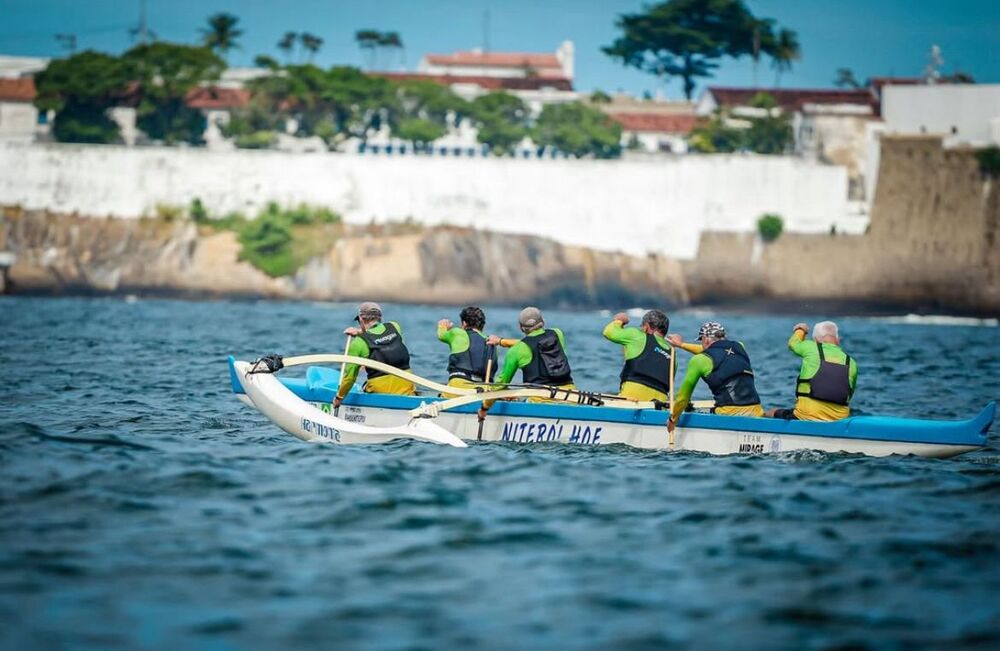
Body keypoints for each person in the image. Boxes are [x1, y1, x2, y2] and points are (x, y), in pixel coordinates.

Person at [477, 307, 576, 418]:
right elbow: (535, 342)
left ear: (521, 328)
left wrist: (484, 408)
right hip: (571, 399)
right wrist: (500, 341)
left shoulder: (516, 351)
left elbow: (500, 385)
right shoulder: (558, 334)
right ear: (543, 321)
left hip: (539, 404)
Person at [666, 321, 764, 433]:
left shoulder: (699, 360)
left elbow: (683, 399)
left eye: (701, 340)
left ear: (706, 340)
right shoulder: (740, 347)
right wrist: (681, 345)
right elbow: (715, 350)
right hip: (757, 412)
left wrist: (672, 419)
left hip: (728, 416)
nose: (701, 345)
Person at [766, 321, 858, 421]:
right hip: (838, 420)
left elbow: (792, 344)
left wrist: (801, 330)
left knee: (771, 412)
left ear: (816, 340)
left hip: (804, 417)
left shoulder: (811, 347)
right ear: (838, 340)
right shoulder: (851, 363)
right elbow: (849, 394)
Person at [333, 302, 415, 409]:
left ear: (361, 319)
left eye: (358, 321)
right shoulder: (395, 327)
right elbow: (382, 339)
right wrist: (360, 332)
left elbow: (349, 378)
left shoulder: (358, 343)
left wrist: (339, 398)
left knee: (363, 384)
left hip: (381, 393)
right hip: (406, 389)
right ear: (380, 318)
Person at [602, 309, 673, 402]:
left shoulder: (637, 335)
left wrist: (619, 320)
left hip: (633, 398)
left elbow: (608, 332)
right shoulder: (672, 353)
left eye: (641, 326)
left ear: (646, 327)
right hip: (659, 403)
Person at [437, 306, 498, 395]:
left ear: (464, 323)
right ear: (482, 325)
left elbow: (441, 335)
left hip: (458, 389)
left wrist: (442, 326)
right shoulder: (492, 343)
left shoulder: (459, 333)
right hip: (484, 391)